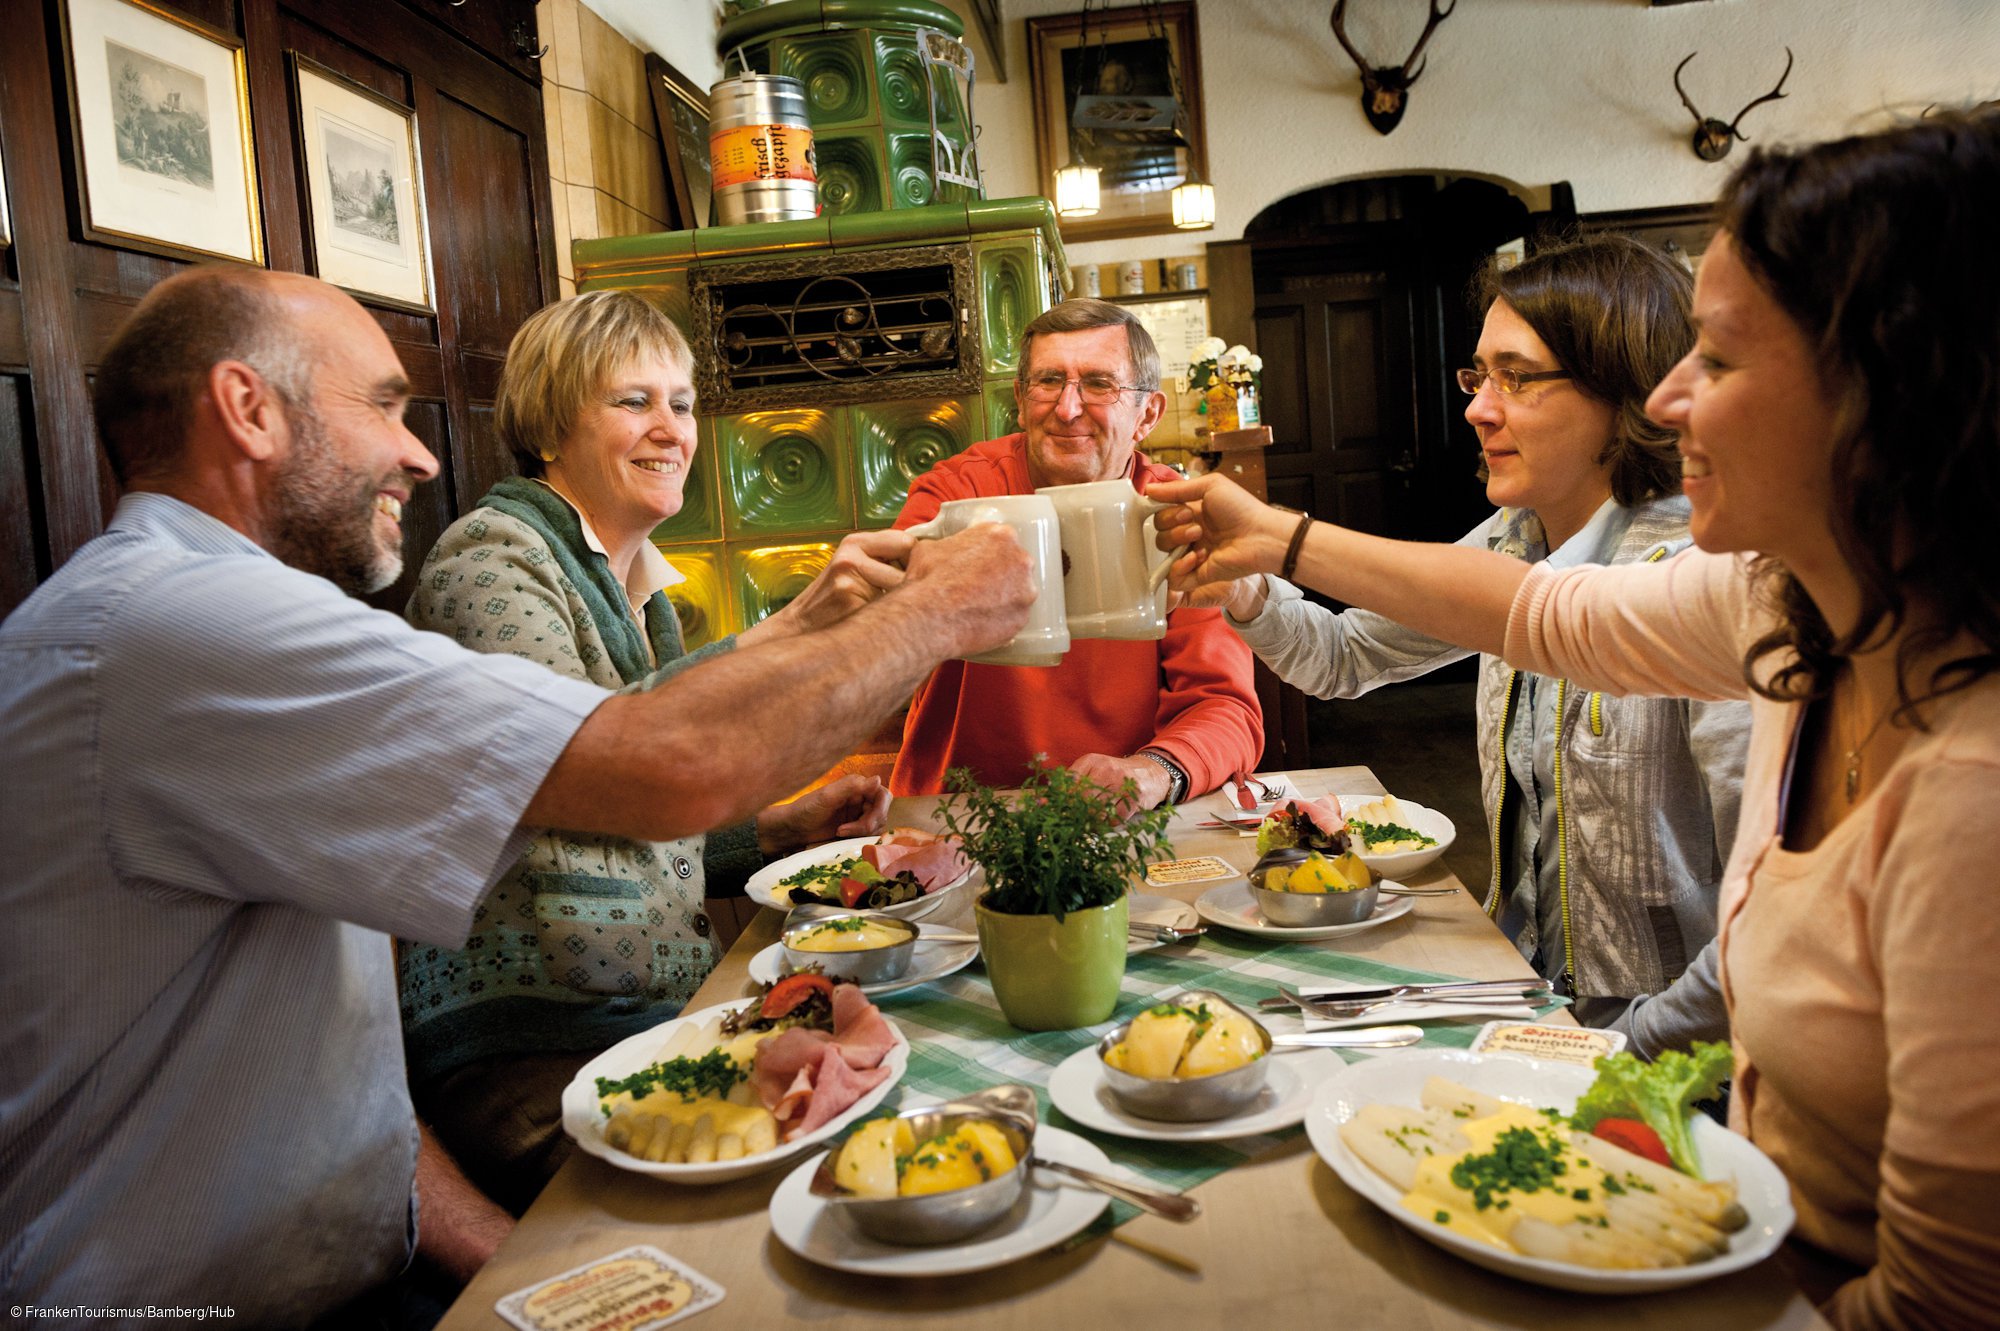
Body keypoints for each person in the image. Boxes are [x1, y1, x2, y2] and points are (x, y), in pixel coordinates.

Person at [0, 267, 1033, 1324]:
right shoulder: (190, 625)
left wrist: (503, 1258)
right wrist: (932, 615)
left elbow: (326, 1087)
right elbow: (657, 764)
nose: (422, 450)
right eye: (385, 405)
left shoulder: (218, 625)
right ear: (247, 408)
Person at [1153, 108, 2000, 1329]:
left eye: (1715, 356)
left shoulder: (1965, 790)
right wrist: (1265, 547)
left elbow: (1943, 1298)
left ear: (1886, 387)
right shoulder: (1786, 604)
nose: (1667, 397)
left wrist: (1601, 1062)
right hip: (1626, 1100)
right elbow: (1542, 614)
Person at [397, 290, 907, 1212]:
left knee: (873, 1123)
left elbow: (629, 825)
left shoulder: (644, 591)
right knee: (791, 1195)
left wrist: (771, 833)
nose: (671, 428)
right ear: (552, 422)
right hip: (529, 1046)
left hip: (638, 1020)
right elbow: (598, 764)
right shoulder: (489, 559)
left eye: (682, 402)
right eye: (634, 401)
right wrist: (792, 625)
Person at [1193, 237, 1748, 1057]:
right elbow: (1342, 657)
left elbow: (1761, 920)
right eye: (1478, 375)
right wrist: (1244, 587)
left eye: (1516, 377)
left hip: (1661, 1046)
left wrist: (1625, 1050)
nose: (1478, 408)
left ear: (1622, 390)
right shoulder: (1512, 540)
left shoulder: (1702, 576)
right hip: (1516, 988)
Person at [891, 298, 1263, 808]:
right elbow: (884, 633)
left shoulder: (1179, 514)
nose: (1067, 409)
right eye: (1048, 382)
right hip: (954, 810)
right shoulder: (957, 494)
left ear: (1147, 413)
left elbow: (1225, 706)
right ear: (1021, 400)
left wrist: (1150, 773)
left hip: (1118, 819)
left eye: (1099, 384)